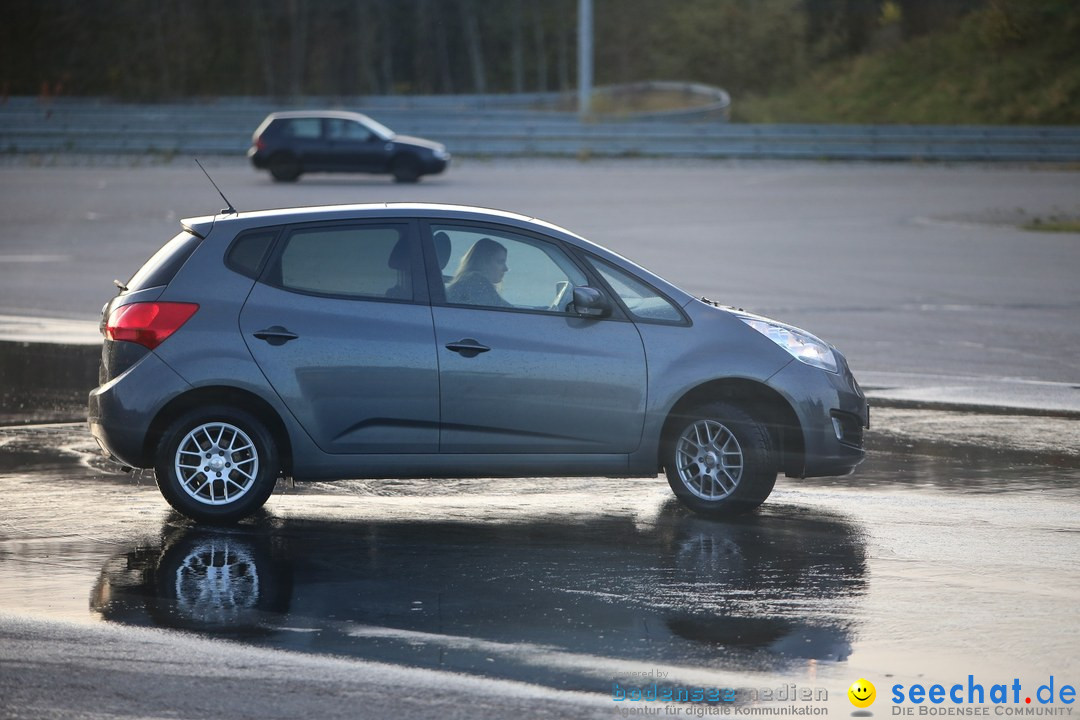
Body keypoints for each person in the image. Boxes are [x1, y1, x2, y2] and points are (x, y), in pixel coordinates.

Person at [445, 237, 512, 308]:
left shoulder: (468, 282)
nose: (506, 269)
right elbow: (507, 312)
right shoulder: (476, 284)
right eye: (500, 262)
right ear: (484, 262)